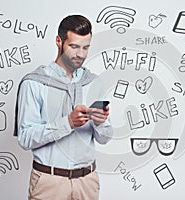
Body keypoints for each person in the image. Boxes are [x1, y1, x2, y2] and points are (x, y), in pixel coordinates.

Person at [14, 14, 113, 200]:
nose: (80, 54)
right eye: (74, 46)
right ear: (59, 41)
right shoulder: (34, 83)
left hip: (87, 182)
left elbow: (105, 138)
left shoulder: (94, 83)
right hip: (49, 182)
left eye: (85, 47)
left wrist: (101, 123)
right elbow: (25, 139)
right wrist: (67, 122)